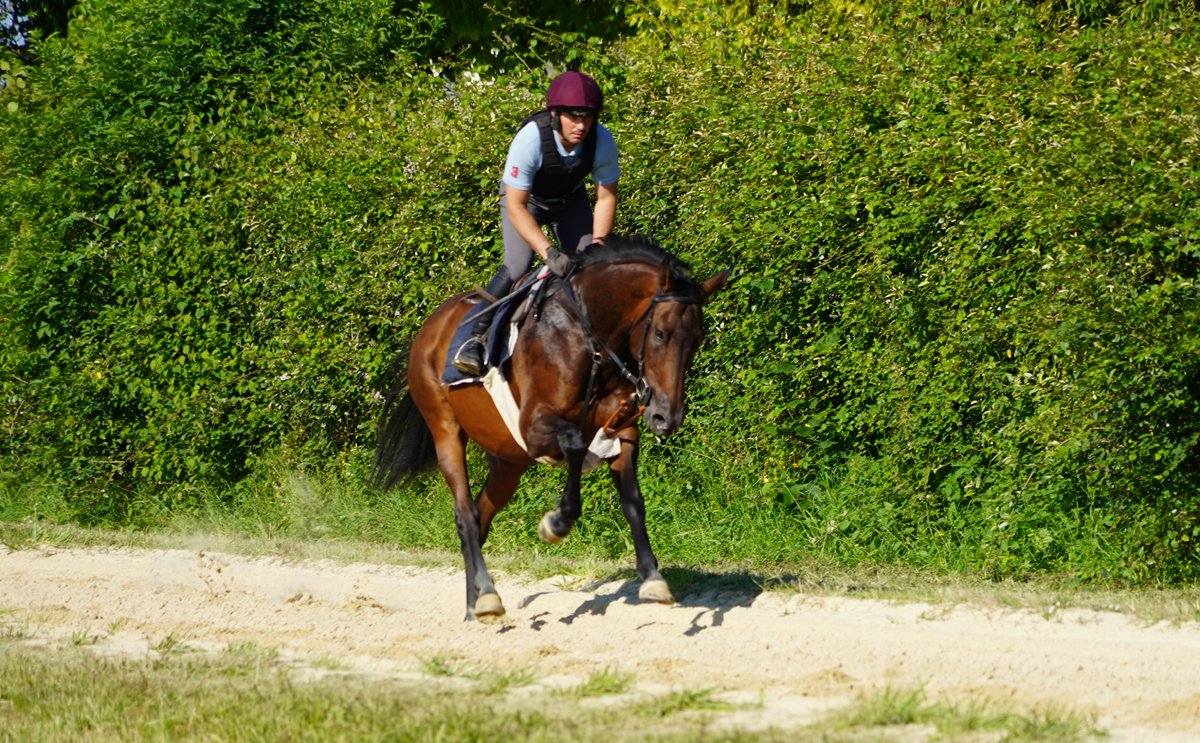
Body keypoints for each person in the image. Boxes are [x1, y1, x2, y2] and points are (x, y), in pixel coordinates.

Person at [452, 70, 620, 376]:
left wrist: (598, 242)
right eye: (572, 116)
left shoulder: (602, 140)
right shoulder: (530, 139)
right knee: (518, 265)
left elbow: (606, 197)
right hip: (526, 201)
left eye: (587, 117)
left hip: (569, 200)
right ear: (555, 114)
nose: (581, 125)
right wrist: (548, 252)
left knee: (593, 265)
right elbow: (516, 206)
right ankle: (473, 338)